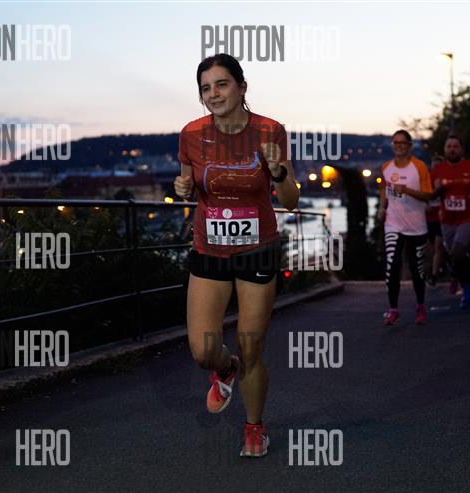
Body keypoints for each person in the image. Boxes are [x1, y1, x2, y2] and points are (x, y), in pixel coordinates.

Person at [174, 53, 299, 457]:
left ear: (242, 87)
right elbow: (188, 185)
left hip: (257, 250)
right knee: (202, 351)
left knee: (251, 347)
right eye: (205, 88)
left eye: (222, 84)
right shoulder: (191, 134)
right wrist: (182, 189)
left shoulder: (270, 130)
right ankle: (225, 368)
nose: (213, 94)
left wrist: (278, 172)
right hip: (209, 249)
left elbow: (291, 200)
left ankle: (254, 426)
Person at [377, 130, 434, 326]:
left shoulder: (419, 167)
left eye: (402, 143)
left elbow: (428, 195)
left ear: (409, 145)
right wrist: (382, 208)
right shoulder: (386, 167)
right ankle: (393, 309)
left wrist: (407, 190)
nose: (399, 146)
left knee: (417, 269)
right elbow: (384, 189)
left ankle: (420, 306)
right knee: (392, 265)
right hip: (393, 223)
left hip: (416, 225)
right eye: (395, 142)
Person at [430, 136, 470, 308]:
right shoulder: (437, 170)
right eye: (449, 146)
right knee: (454, 257)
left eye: (455, 146)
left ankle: (467, 286)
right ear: (444, 150)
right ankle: (466, 281)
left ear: (461, 150)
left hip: (468, 218)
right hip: (447, 221)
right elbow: (429, 194)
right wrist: (437, 190)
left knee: (458, 252)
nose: (452, 149)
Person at [425, 155, 445, 287]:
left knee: (438, 245)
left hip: (442, 218)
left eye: (439, 165)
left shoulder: (446, 180)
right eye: (434, 165)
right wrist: (425, 205)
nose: (436, 168)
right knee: (433, 247)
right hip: (429, 218)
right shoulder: (427, 180)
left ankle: (434, 275)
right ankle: (440, 267)